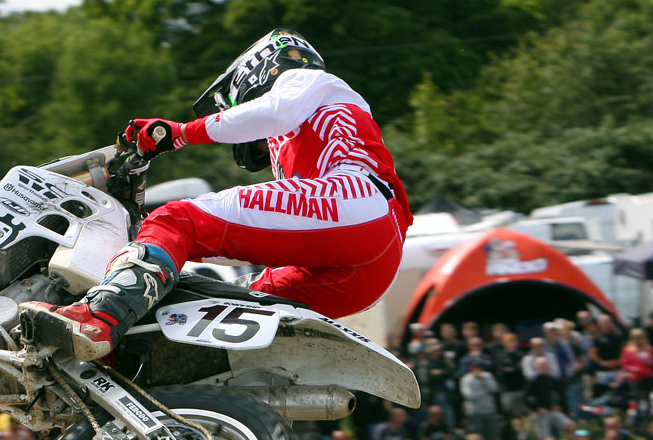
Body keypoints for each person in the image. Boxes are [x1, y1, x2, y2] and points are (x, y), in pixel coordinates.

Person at [22, 27, 410, 361]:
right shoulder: (316, 119)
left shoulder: (306, 79)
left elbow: (274, 112)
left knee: (177, 220)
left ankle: (101, 316)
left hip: (357, 203)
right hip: (371, 264)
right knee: (233, 305)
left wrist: (180, 133)